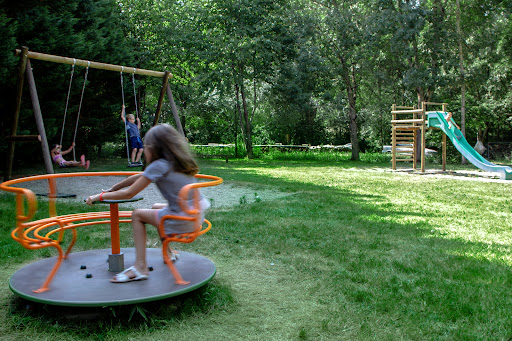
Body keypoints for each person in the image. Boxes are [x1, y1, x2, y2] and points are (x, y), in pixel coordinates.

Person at [86, 124, 210, 283]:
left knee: (137, 214)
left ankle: (140, 267)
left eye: (145, 147)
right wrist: (112, 188)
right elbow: (139, 177)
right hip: (195, 218)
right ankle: (169, 253)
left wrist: (98, 197)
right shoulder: (176, 162)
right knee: (155, 208)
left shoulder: (159, 165)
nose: (144, 151)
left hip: (183, 221)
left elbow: (129, 193)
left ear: (153, 148)